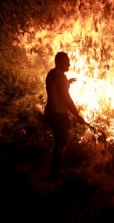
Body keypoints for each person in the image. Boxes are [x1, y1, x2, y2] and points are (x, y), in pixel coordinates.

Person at [45, 51, 86, 181]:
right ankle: (54, 176)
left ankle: (54, 173)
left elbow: (56, 87)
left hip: (50, 112)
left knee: (58, 143)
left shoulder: (52, 73)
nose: (69, 63)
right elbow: (66, 99)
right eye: (66, 61)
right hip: (59, 114)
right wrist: (77, 115)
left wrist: (67, 82)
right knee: (60, 144)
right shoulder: (60, 77)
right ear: (59, 62)